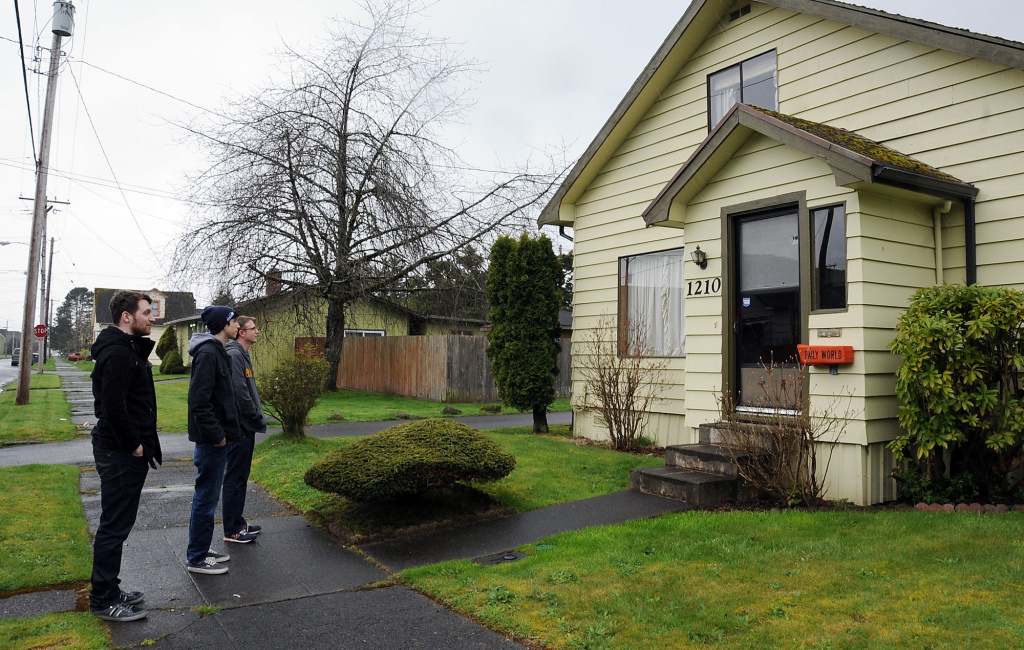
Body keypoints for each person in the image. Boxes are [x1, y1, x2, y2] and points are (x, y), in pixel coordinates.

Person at [89, 290, 161, 622]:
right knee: (114, 526)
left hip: (123, 450)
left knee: (118, 524)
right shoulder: (117, 353)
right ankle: (103, 600)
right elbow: (113, 406)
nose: (153, 317)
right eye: (147, 312)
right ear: (127, 317)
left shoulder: (125, 349)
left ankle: (111, 589)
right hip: (119, 451)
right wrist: (135, 445)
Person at [185, 305, 249, 575]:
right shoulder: (209, 353)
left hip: (219, 440)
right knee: (206, 498)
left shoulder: (218, 351)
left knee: (209, 497)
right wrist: (219, 436)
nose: (237, 324)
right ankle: (197, 558)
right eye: (233, 320)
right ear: (223, 324)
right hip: (212, 442)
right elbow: (199, 402)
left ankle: (201, 548)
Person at [223, 315, 268, 542]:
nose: (257, 331)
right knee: (234, 477)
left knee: (241, 477)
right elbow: (240, 393)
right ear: (241, 332)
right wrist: (254, 414)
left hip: (246, 426)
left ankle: (239, 523)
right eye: (253, 328)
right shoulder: (233, 355)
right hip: (240, 427)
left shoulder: (243, 355)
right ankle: (232, 530)